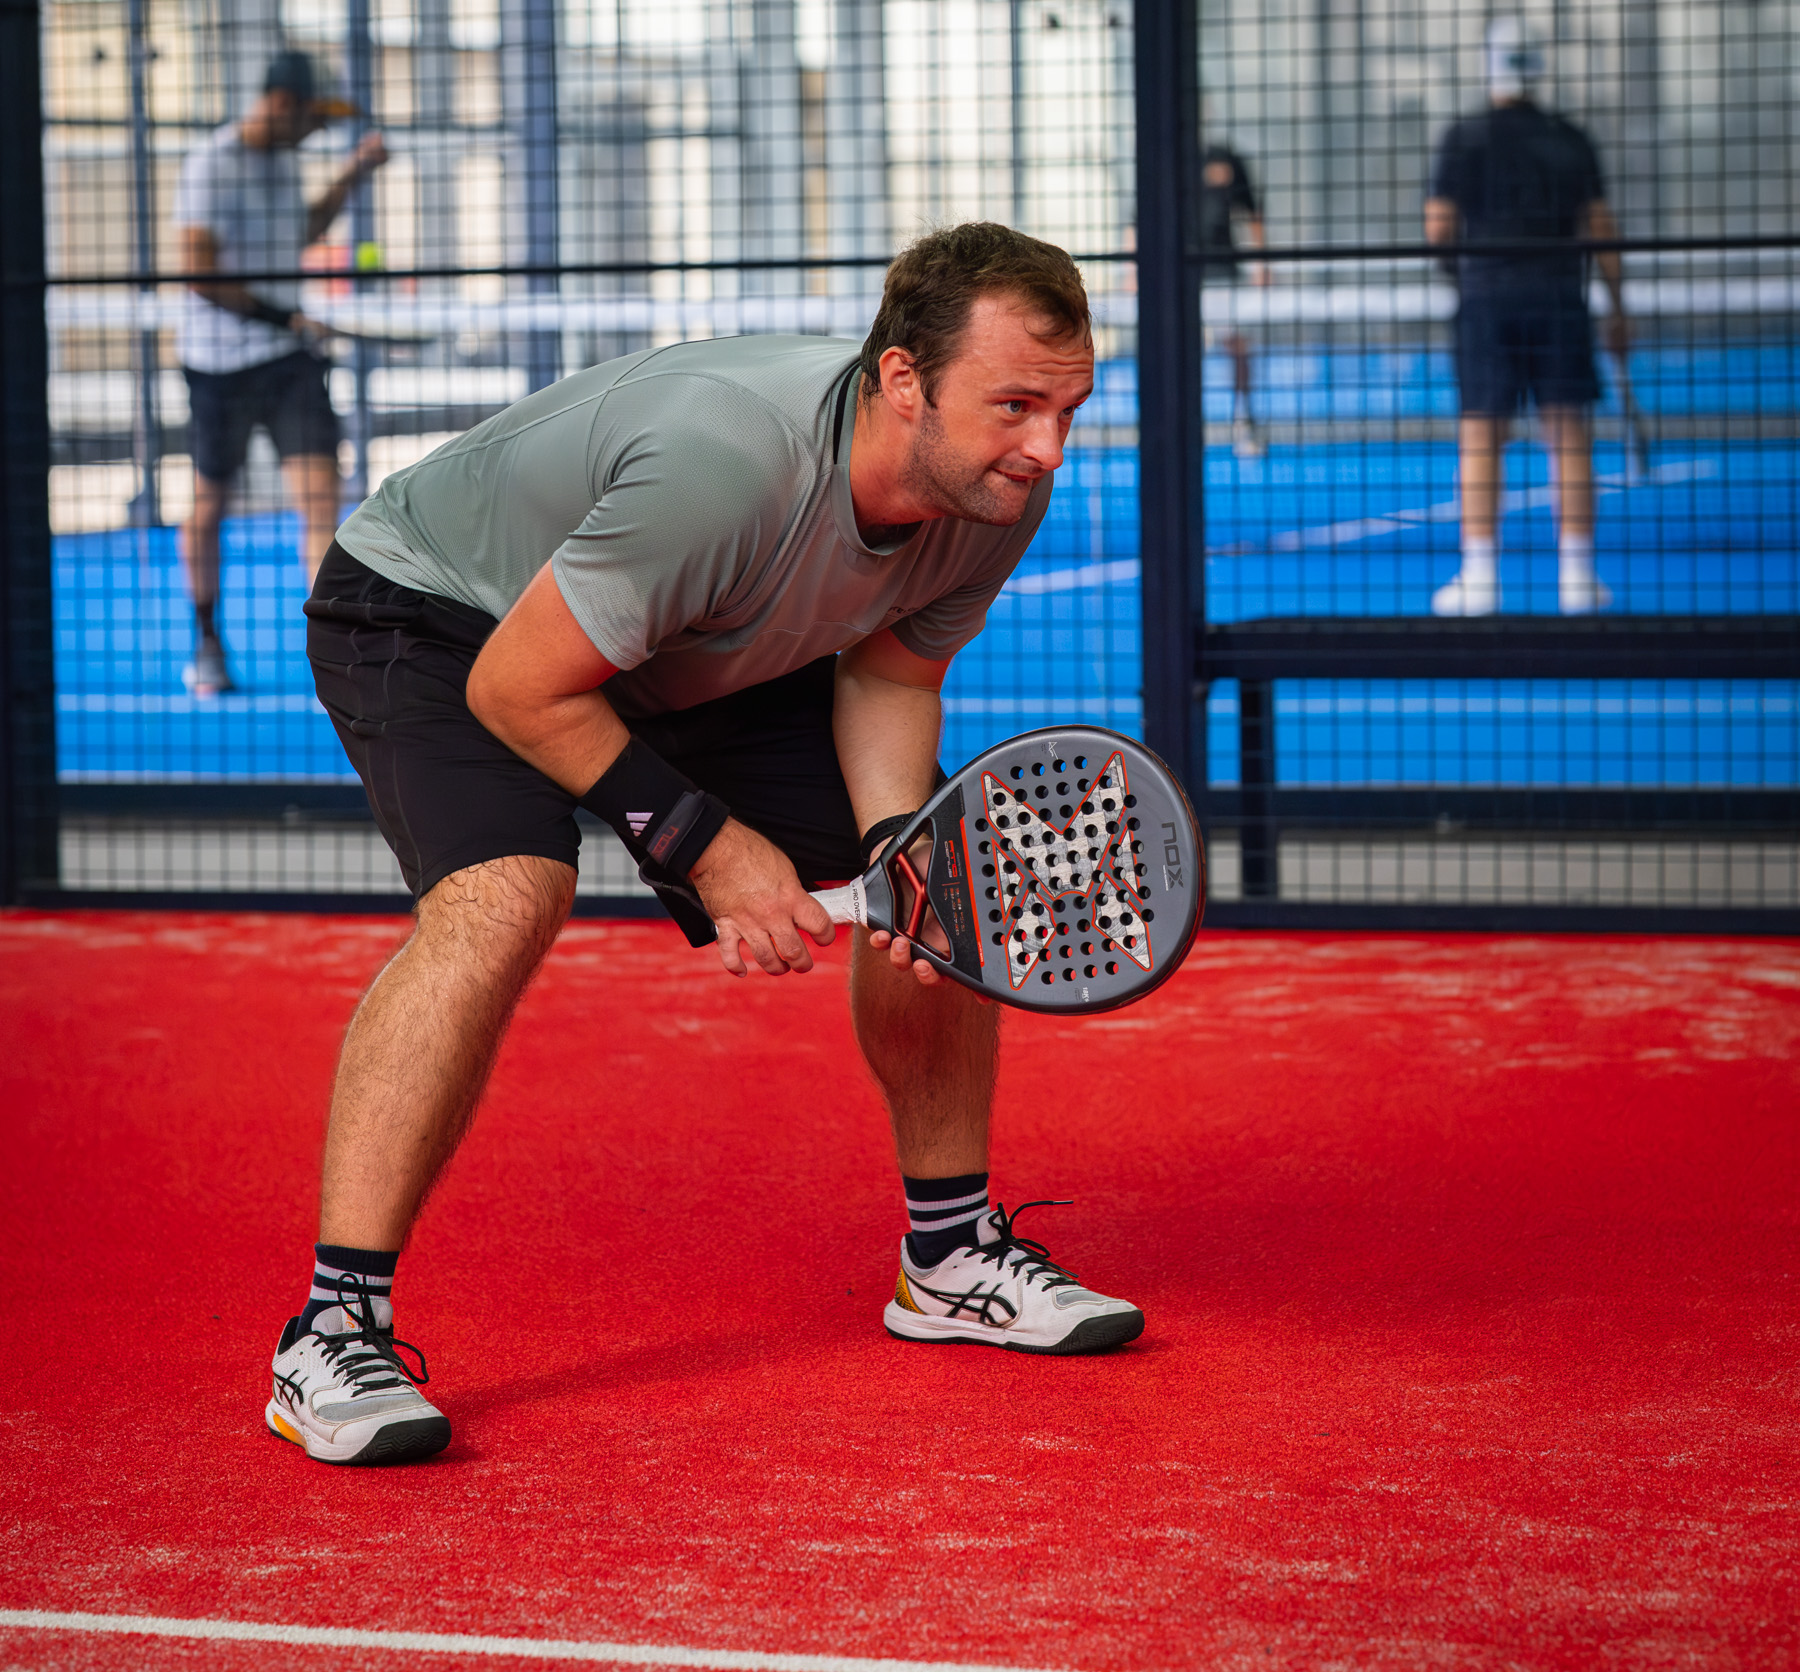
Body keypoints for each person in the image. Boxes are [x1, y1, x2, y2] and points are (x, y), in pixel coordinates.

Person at [267, 224, 1144, 1468]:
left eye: (1068, 407)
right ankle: (330, 1328)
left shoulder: (991, 485)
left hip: (686, 638)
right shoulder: (727, 462)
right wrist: (708, 846)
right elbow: (526, 688)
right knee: (506, 895)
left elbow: (890, 673)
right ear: (903, 380)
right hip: (448, 613)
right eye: (1015, 404)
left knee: (941, 880)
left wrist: (897, 844)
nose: (1047, 446)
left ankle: (947, 1259)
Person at [172, 49, 389, 696]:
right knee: (209, 507)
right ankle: (208, 642)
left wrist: (352, 175)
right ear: (284, 103)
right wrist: (285, 319)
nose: (321, 132)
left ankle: (336, 665)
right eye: (316, 118)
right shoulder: (211, 165)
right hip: (219, 366)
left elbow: (298, 232)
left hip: (289, 363)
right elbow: (200, 274)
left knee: (322, 501)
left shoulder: (288, 163)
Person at [1425, 16, 1629, 616]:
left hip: (1487, 300)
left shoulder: (1463, 137)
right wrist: (1618, 306)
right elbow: (1601, 230)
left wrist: (1469, 279)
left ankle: (1481, 578)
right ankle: (1577, 579)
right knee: (1568, 434)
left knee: (1482, 434)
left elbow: (1437, 229)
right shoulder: (1570, 139)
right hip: (1560, 300)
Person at [1198, 133, 1271, 459]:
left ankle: (1244, 422)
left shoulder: (1225, 155)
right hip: (1173, 276)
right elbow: (1136, 217)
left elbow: (1251, 210)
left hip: (1221, 273)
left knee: (1238, 347)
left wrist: (1261, 263)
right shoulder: (1162, 156)